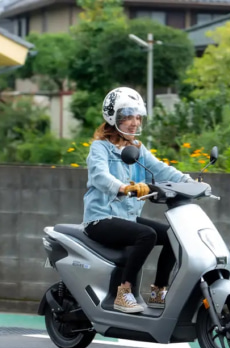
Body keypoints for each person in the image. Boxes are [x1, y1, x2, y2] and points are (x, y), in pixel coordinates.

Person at [82, 87, 194, 314]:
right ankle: (125, 293)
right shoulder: (99, 148)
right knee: (147, 235)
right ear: (113, 118)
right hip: (100, 219)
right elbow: (100, 176)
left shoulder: (137, 149)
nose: (134, 122)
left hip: (127, 218)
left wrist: (189, 182)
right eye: (127, 116)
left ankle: (158, 292)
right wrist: (123, 187)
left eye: (137, 117)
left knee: (174, 235)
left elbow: (161, 169)